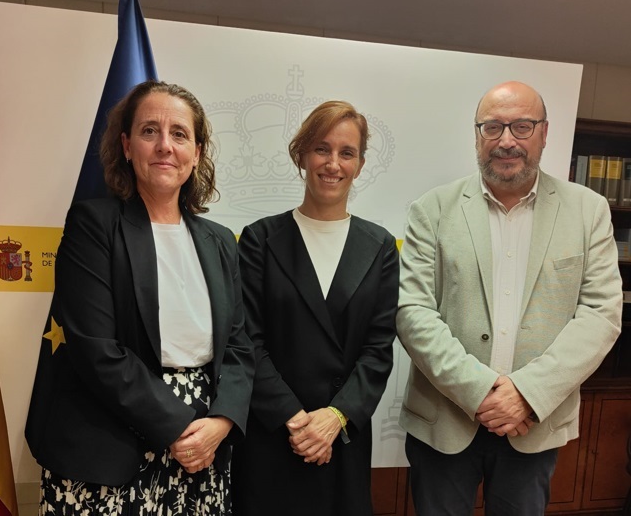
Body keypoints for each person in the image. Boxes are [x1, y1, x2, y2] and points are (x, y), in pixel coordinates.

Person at [25, 81, 255, 515]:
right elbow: (96, 349)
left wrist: (222, 421)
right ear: (127, 146)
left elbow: (239, 347)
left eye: (179, 134)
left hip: (203, 446)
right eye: (150, 131)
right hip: (110, 439)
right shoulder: (93, 225)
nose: (165, 145)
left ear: (197, 153)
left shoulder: (221, 240)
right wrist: (182, 427)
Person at [396, 80, 623, 515]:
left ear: (544, 133)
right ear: (476, 135)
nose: (506, 141)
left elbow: (600, 315)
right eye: (493, 127)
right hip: (444, 422)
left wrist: (527, 394)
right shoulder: (432, 209)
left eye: (522, 126)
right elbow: (413, 312)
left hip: (534, 423)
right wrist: (482, 392)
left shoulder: (588, 211)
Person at [231, 101, 399, 516]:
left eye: (347, 153)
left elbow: (378, 350)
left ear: (360, 165)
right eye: (322, 149)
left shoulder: (380, 246)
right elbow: (247, 341)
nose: (333, 164)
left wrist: (335, 417)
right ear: (302, 155)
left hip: (341, 437)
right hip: (273, 433)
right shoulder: (259, 239)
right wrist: (297, 420)